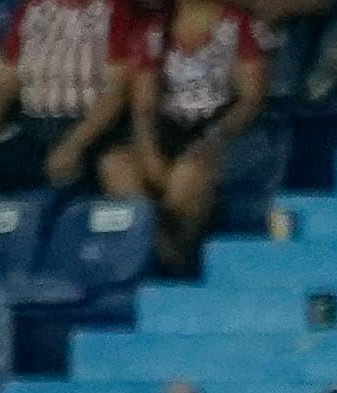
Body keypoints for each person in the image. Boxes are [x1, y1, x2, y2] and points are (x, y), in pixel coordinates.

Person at [103, 0, 268, 275]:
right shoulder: (156, 28)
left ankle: (174, 262)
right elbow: (144, 105)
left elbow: (251, 99)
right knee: (116, 165)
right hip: (168, 128)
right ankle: (152, 250)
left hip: (222, 128)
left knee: (188, 172)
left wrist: (214, 138)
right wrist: (149, 152)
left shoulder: (241, 24)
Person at [0, 0, 140, 195]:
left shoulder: (114, 9)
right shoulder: (32, 9)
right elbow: (6, 81)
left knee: (98, 173)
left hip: (88, 128)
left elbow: (115, 93)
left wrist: (74, 145)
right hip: (34, 128)